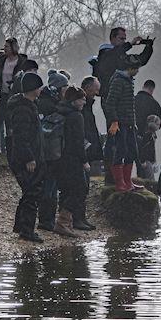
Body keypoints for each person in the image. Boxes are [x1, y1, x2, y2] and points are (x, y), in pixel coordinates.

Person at [4, 72, 46, 242]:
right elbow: (21, 137)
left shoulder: (29, 106)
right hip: (24, 159)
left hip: (29, 156)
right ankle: (26, 231)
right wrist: (29, 158)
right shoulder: (23, 109)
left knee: (29, 192)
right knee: (31, 193)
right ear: (33, 89)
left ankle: (21, 226)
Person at [48, 87, 90, 237]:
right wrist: (84, 161)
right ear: (74, 100)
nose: (84, 101)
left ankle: (64, 221)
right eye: (81, 98)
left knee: (65, 189)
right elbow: (78, 141)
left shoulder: (60, 111)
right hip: (73, 159)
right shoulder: (76, 116)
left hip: (59, 157)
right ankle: (63, 222)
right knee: (80, 189)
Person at [35, 71, 69, 231]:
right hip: (50, 153)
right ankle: (46, 220)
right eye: (64, 88)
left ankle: (46, 219)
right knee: (49, 187)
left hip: (48, 152)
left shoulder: (47, 101)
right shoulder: (49, 105)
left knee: (49, 187)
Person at [103, 64, 144, 192]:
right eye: (136, 69)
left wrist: (133, 122)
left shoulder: (129, 81)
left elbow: (130, 105)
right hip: (120, 124)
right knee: (121, 151)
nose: (138, 71)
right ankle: (120, 183)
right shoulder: (118, 81)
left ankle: (128, 181)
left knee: (132, 151)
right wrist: (114, 121)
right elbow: (110, 103)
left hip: (129, 123)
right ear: (130, 68)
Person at [0, 38, 27, 153]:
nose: (5, 48)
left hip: (15, 95)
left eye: (7, 46)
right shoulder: (2, 59)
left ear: (13, 48)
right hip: (3, 94)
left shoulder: (21, 61)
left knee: (11, 122)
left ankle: (11, 149)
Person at [77, 76, 101, 230]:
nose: (98, 91)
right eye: (96, 88)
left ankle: (81, 217)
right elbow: (82, 134)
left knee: (84, 187)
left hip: (88, 153)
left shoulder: (88, 106)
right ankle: (76, 219)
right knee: (80, 186)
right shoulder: (82, 109)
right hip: (82, 154)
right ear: (87, 88)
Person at [135, 79, 161, 178]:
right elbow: (160, 122)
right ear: (152, 89)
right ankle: (145, 185)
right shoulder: (154, 104)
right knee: (146, 167)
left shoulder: (133, 100)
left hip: (131, 135)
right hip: (147, 139)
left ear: (143, 86)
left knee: (130, 161)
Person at [137, 114, 161, 179]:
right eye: (157, 124)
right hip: (146, 161)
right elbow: (144, 149)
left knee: (149, 177)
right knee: (150, 179)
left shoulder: (152, 135)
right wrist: (143, 161)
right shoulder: (148, 135)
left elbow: (153, 150)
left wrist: (154, 161)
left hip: (150, 161)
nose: (158, 127)